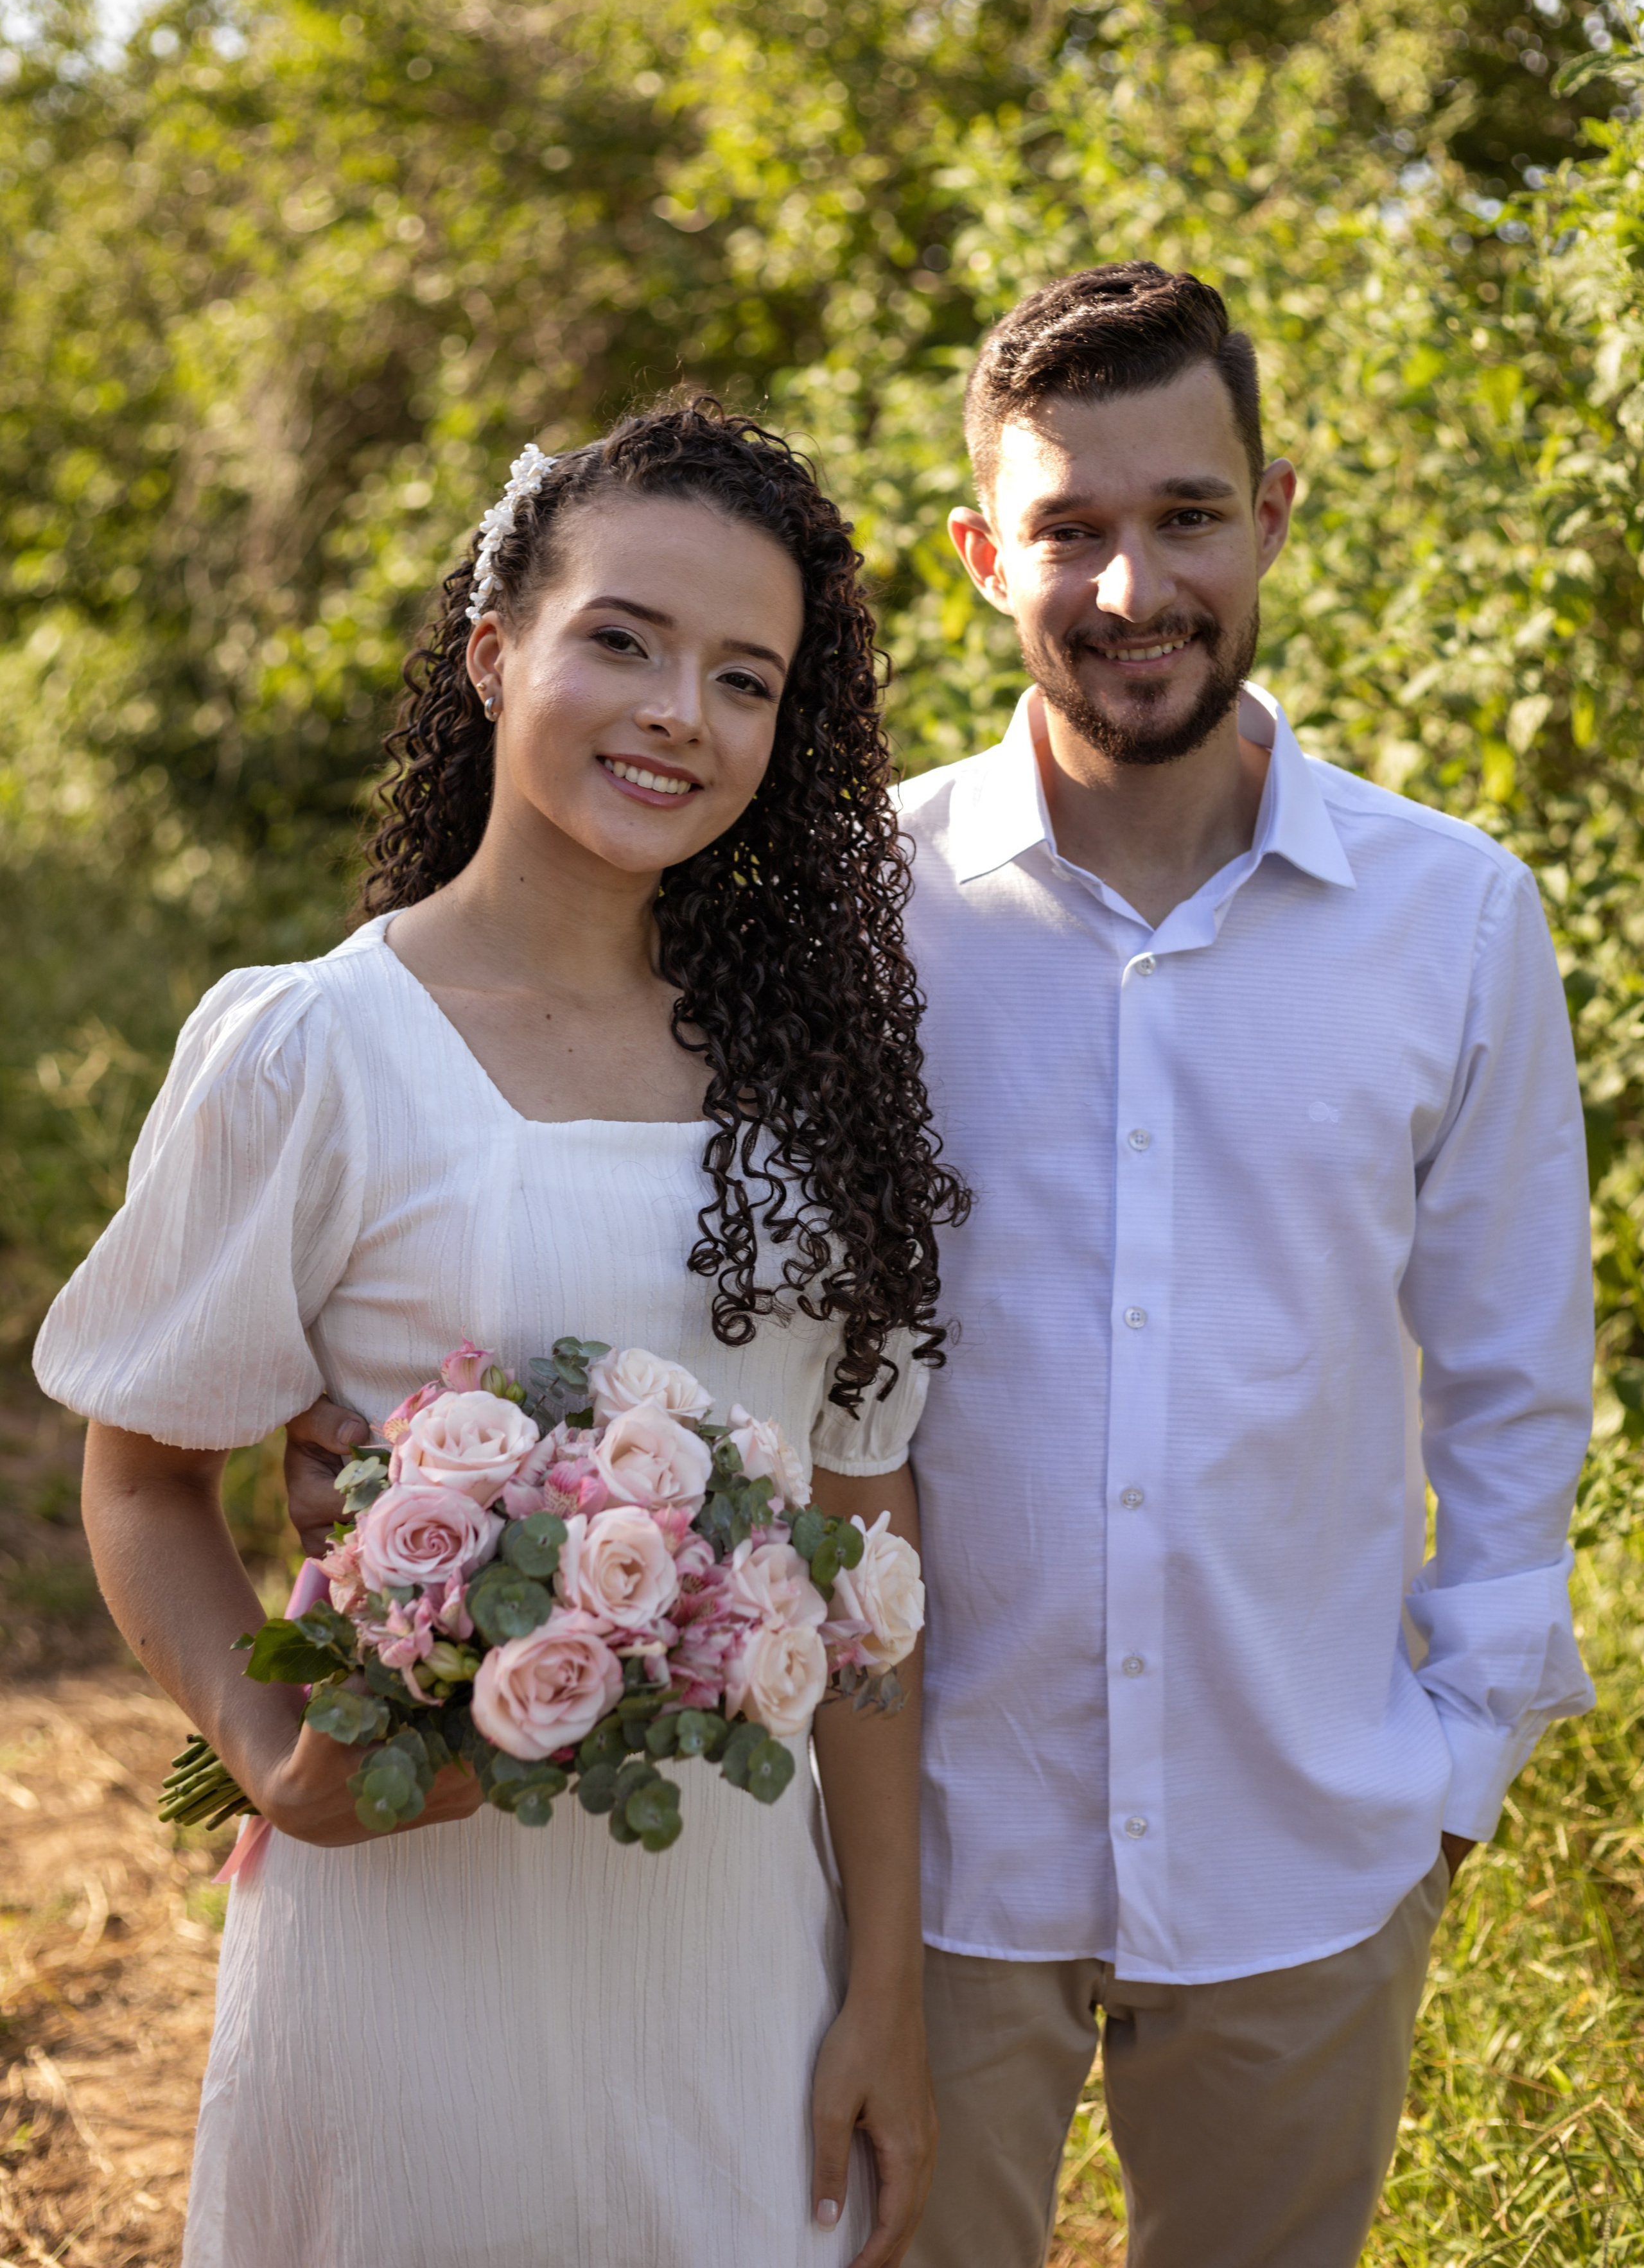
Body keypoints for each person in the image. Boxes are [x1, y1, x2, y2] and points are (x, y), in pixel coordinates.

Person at [33, 399, 968, 2268]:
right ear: (494, 652)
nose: (675, 713)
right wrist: (263, 1733)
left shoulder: (826, 1093)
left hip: (732, 1956)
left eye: (743, 677)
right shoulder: (310, 1045)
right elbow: (141, 1476)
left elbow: (865, 1555)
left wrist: (885, 1986)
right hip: (408, 1943)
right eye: (620, 638)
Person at [888, 265, 1595, 2268]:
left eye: (1185, 515)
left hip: (1314, 1840)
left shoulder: (1454, 919)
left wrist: (1459, 1754)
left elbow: (1517, 1373)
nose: (1132, 588)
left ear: (1272, 513)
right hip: (931, 1849)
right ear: (979, 554)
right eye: (1072, 530)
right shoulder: (869, 905)